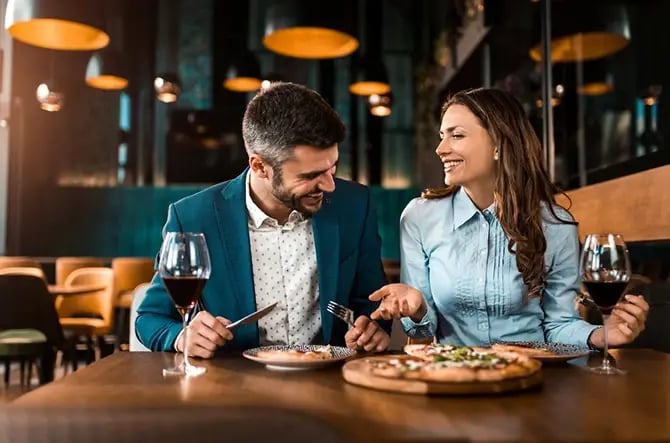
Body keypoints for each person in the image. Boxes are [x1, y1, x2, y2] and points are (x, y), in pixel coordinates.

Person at [368, 87, 648, 350]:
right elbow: (420, 331)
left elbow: (558, 325)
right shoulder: (419, 216)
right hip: (453, 376)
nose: (440, 148)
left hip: (534, 376)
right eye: (442, 135)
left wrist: (603, 334)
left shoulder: (555, 225)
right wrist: (417, 307)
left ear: (499, 145)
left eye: (456, 135)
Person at [136, 82, 391, 358]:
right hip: (235, 386)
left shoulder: (355, 205)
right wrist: (182, 337)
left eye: (332, 168)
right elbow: (150, 318)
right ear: (259, 166)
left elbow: (372, 304)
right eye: (309, 176)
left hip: (331, 383)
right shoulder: (194, 217)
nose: (329, 186)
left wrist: (374, 326)